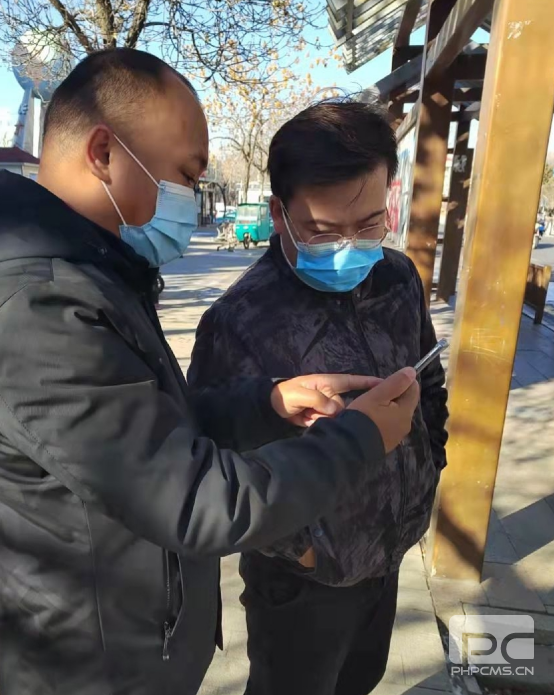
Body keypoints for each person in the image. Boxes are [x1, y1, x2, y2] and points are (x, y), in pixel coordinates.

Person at [0, 52, 420, 695]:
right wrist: (360, 438)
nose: (191, 197)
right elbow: (195, 501)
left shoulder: (89, 276)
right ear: (104, 152)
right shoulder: (35, 309)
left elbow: (150, 433)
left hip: (136, 644)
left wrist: (267, 405)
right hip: (96, 667)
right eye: (186, 175)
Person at [188, 99, 449, 695]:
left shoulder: (398, 278)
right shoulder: (238, 320)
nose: (351, 246)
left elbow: (428, 385)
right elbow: (215, 456)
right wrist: (304, 552)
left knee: (363, 678)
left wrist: (428, 470)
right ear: (278, 214)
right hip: (301, 585)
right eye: (324, 231)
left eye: (370, 223)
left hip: (389, 554)